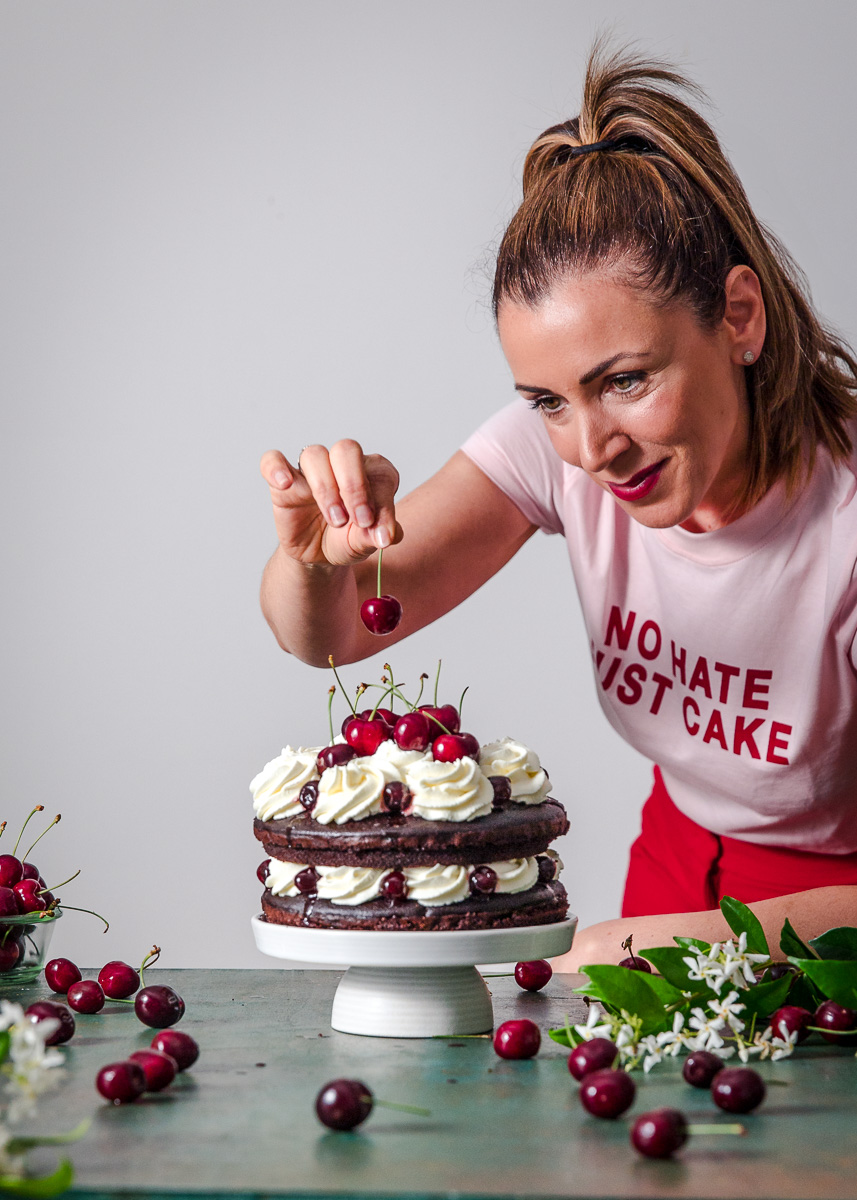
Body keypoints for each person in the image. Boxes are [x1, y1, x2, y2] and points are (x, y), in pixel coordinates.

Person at [258, 43, 857, 969]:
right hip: (677, 866)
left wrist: (658, 942)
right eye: (547, 400)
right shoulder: (561, 450)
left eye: (626, 380)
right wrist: (315, 557)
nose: (589, 449)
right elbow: (332, 635)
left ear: (739, 317)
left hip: (826, 918)